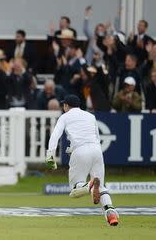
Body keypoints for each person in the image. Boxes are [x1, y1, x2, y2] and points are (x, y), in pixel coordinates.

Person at [45, 94, 119, 226]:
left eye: (64, 105)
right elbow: (96, 136)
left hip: (80, 151)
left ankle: (89, 184)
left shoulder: (65, 117)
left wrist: (50, 155)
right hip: (96, 150)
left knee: (74, 190)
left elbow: (55, 135)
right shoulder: (90, 116)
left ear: (66, 105)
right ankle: (111, 213)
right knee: (101, 186)